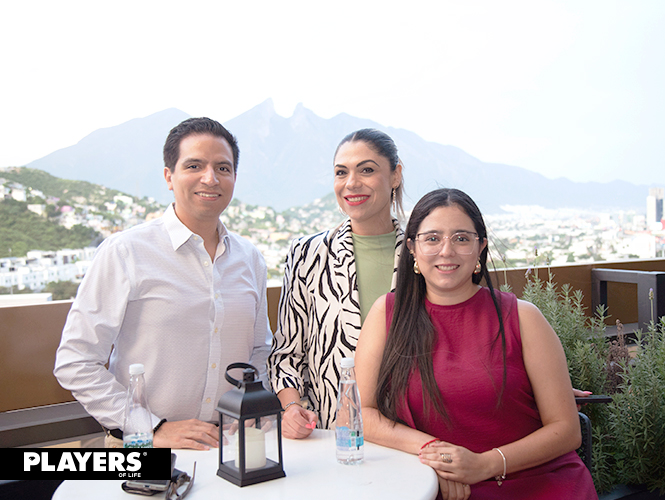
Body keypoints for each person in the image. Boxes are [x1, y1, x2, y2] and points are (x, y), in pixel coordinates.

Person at [355, 188, 598, 500]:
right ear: (412, 248)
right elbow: (361, 413)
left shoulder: (524, 318)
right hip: (436, 485)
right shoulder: (387, 315)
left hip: (541, 485)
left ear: (480, 247)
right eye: (432, 238)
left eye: (461, 238)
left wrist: (484, 465)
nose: (446, 251)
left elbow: (566, 429)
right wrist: (439, 457)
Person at [54, 117, 272, 450]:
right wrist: (152, 427)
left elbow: (260, 352)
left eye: (223, 168)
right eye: (194, 166)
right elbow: (75, 362)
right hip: (143, 445)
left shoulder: (250, 259)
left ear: (234, 178)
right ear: (169, 176)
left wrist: (251, 410)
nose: (210, 178)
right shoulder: (125, 252)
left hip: (229, 447)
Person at [268, 129, 405, 437]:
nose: (351, 183)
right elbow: (287, 354)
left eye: (366, 170)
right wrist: (292, 408)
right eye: (341, 172)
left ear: (395, 175)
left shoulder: (422, 255)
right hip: (332, 436)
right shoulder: (308, 255)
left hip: (410, 435)